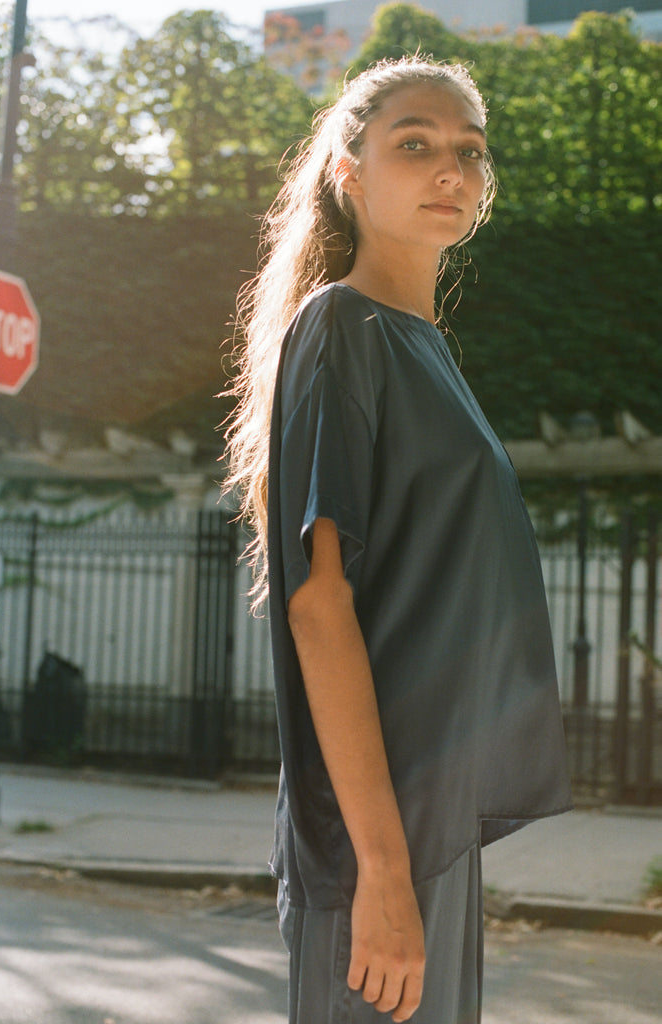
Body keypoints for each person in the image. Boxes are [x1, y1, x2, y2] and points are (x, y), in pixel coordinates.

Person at [224, 55, 572, 1024]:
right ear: (349, 169)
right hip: (377, 838)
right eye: (414, 144)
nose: (450, 170)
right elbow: (319, 605)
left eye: (469, 150)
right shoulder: (342, 329)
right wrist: (380, 866)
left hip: (431, 828)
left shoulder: (427, 351)